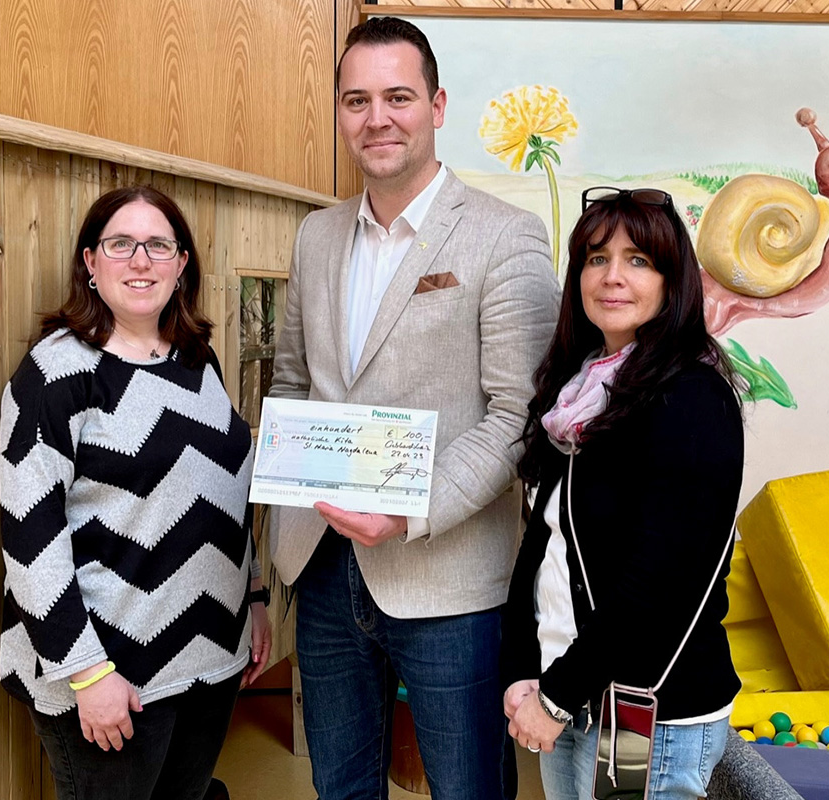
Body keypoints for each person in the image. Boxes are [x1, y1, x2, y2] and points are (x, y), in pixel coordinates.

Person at [267, 16, 560, 800]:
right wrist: (282, 529)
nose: (377, 118)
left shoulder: (506, 237)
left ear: (436, 105)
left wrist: (407, 512)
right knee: (343, 787)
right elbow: (293, 385)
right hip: (324, 568)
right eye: (356, 100)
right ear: (338, 113)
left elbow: (518, 417)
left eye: (397, 96)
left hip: (449, 577)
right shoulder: (315, 237)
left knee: (468, 790)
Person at [0, 185, 272, 800]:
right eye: (121, 244)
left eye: (158, 245)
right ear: (91, 263)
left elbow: (223, 490)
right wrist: (87, 672)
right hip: (111, 673)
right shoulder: (56, 373)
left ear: (181, 265)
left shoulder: (198, 359)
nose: (140, 260)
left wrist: (253, 596)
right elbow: (29, 535)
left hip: (207, 660)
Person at [501, 186, 745, 800]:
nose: (613, 278)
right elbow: (545, 540)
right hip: (575, 695)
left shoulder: (691, 397)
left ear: (671, 281)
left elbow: (657, 583)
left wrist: (554, 697)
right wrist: (523, 669)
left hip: (645, 713)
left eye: (639, 260)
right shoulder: (579, 392)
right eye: (596, 258)